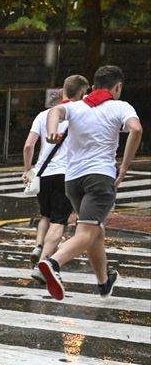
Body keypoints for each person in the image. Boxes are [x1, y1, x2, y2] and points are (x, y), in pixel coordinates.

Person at [38, 65, 143, 300]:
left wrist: (53, 131)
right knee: (86, 231)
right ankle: (53, 263)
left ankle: (104, 282)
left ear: (94, 87)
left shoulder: (77, 107)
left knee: (95, 231)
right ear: (118, 87)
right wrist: (125, 165)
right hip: (100, 178)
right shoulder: (120, 107)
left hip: (73, 180)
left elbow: (55, 111)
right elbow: (136, 128)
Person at [22, 74, 88, 277]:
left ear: (62, 91)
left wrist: (27, 169)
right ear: (83, 93)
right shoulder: (82, 114)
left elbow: (28, 145)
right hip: (66, 173)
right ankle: (42, 265)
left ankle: (38, 245)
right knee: (59, 221)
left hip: (43, 172)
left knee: (45, 215)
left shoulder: (44, 115)